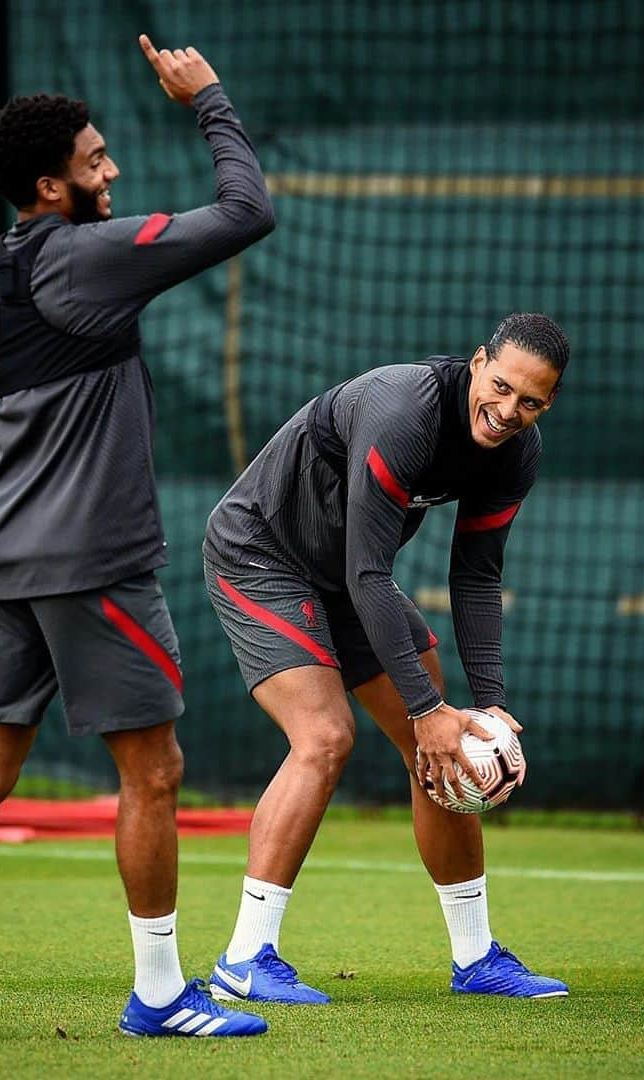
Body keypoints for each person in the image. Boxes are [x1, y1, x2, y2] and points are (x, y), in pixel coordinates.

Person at [0, 35, 275, 1039]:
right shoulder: (92, 254)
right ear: (49, 187)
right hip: (93, 564)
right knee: (155, 772)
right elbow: (247, 211)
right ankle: (161, 997)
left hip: (0, 556)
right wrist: (210, 99)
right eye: (95, 162)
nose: (112, 171)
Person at [202, 313, 571, 1004]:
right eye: (500, 386)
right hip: (262, 556)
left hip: (346, 575)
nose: (508, 410)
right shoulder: (405, 412)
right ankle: (245, 957)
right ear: (478, 360)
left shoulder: (516, 451)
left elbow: (477, 575)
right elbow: (371, 571)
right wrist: (428, 707)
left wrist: (483, 701)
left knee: (442, 746)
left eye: (531, 402)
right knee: (324, 736)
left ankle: (476, 959)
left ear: (548, 402)